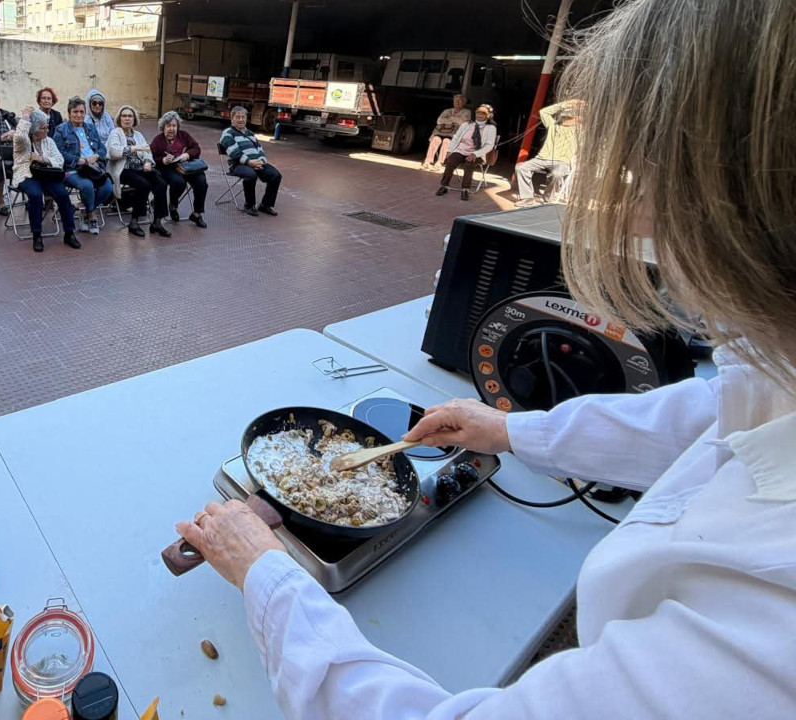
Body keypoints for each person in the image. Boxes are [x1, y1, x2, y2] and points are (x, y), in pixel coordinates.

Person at [176, 2, 796, 718]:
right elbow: (719, 411)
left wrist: (266, 575)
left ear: (737, 195)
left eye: (643, 172)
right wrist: (509, 430)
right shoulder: (775, 364)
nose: (635, 215)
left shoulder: (765, 616)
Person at [12, 107, 78, 253]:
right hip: (27, 175)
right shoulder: (24, 142)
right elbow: (20, 135)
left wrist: (43, 159)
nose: (47, 130)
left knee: (62, 193)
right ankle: (37, 235)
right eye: (43, 128)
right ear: (33, 129)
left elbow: (59, 160)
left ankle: (69, 232)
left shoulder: (48, 141)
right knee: (35, 195)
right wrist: (26, 116)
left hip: (47, 174)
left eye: (47, 126)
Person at [52, 96, 112, 236]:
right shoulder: (61, 129)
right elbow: (59, 153)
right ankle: (92, 215)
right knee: (87, 186)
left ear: (85, 113)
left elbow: (103, 148)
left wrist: (95, 157)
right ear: (69, 113)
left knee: (107, 187)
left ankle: (84, 212)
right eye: (75, 111)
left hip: (93, 168)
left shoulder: (90, 128)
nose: (79, 115)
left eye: (81, 112)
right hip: (72, 169)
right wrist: (81, 160)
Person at [107, 105, 170, 238]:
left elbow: (147, 151)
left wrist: (147, 162)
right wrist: (135, 148)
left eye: (130, 116)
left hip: (140, 168)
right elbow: (113, 152)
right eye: (124, 116)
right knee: (143, 184)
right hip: (123, 169)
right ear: (119, 118)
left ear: (134, 119)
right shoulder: (115, 133)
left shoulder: (138, 135)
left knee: (161, 183)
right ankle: (134, 222)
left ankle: (157, 222)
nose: (127, 118)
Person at [515, 100, 582, 207]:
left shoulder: (579, 130)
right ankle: (527, 198)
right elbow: (543, 112)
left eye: (569, 117)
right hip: (542, 158)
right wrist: (565, 104)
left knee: (557, 174)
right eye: (564, 117)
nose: (566, 119)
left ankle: (548, 196)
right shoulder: (553, 125)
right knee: (521, 168)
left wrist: (582, 107)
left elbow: (591, 122)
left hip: (562, 161)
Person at [219, 106, 282, 217]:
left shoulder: (250, 133)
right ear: (232, 119)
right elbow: (234, 152)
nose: (241, 120)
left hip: (256, 163)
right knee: (250, 175)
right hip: (238, 164)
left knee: (275, 175)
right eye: (238, 117)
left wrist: (261, 161)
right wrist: (249, 162)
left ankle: (265, 205)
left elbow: (260, 149)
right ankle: (249, 205)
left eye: (243, 117)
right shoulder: (227, 133)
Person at [150, 111, 208, 229]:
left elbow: (196, 148)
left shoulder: (183, 135)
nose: (172, 129)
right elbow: (151, 158)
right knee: (178, 182)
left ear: (178, 127)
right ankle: (173, 206)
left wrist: (187, 154)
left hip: (185, 166)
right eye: (168, 126)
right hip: (167, 168)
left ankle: (197, 214)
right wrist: (163, 160)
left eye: (174, 126)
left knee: (201, 181)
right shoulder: (158, 140)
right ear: (163, 127)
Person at [435, 104, 496, 201]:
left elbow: (489, 145)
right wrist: (450, 150)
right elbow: (456, 138)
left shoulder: (490, 128)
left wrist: (475, 154)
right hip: (461, 150)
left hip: (477, 153)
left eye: (483, 113)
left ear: (489, 115)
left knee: (468, 164)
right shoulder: (467, 124)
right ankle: (444, 186)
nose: (479, 114)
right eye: (478, 112)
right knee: (450, 162)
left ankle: (465, 189)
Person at [421, 94, 471, 171]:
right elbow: (439, 121)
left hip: (455, 135)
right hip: (441, 132)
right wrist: (454, 121)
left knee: (446, 141)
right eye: (455, 101)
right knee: (435, 139)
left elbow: (462, 122)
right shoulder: (447, 110)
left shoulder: (467, 112)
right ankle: (427, 161)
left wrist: (448, 119)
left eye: (459, 101)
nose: (457, 102)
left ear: (464, 102)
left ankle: (440, 163)